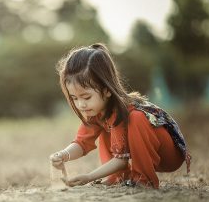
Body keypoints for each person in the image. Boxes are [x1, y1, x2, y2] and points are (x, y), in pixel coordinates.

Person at [49, 43, 191, 189]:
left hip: (168, 154)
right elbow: (81, 143)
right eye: (74, 98)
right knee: (105, 128)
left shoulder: (123, 111)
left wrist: (89, 177)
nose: (81, 105)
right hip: (143, 154)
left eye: (86, 97)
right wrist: (63, 155)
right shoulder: (95, 112)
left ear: (107, 90)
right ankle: (118, 177)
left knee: (136, 118)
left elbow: (120, 161)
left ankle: (144, 180)